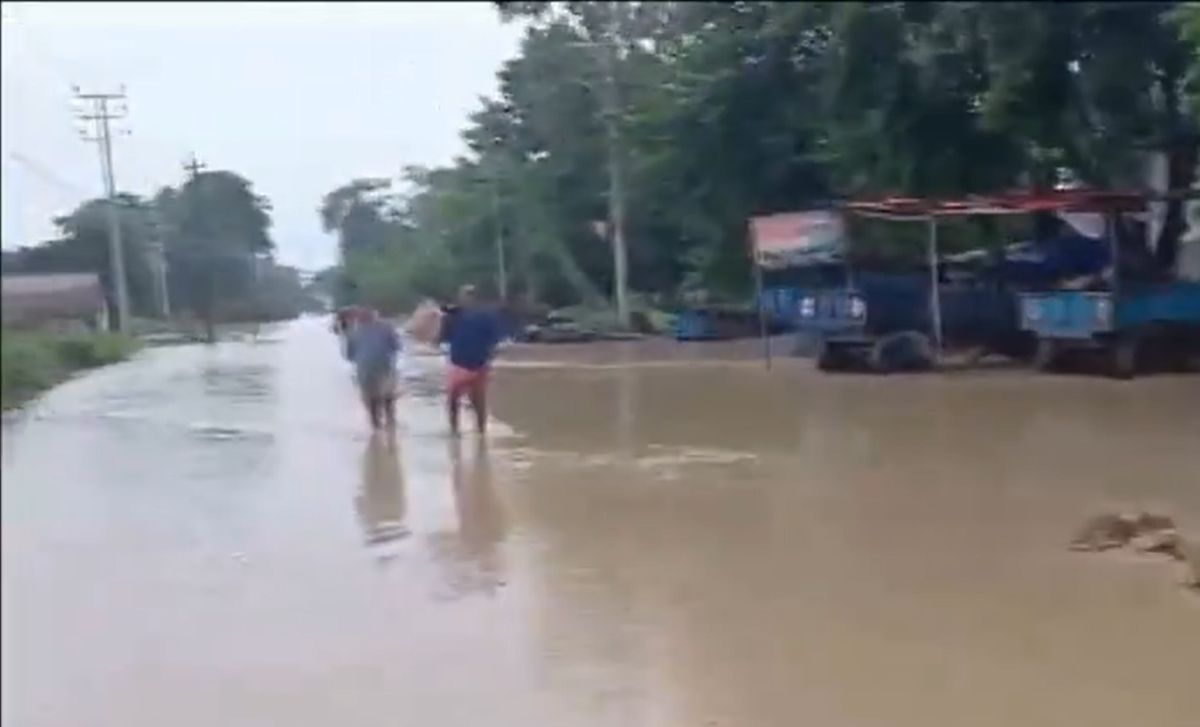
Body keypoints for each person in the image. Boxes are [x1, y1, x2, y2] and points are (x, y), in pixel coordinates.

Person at [439, 285, 501, 435]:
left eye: (470, 295)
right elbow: (442, 338)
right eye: (466, 295)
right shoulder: (452, 317)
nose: (468, 299)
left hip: (478, 365)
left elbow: (494, 341)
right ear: (460, 297)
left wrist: (489, 357)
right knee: (454, 400)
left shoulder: (485, 317)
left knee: (478, 401)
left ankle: (481, 433)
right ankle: (455, 431)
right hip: (458, 364)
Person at [349, 307, 402, 430]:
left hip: (364, 369)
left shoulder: (354, 331)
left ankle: (376, 428)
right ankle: (390, 425)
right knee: (388, 398)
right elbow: (396, 346)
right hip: (385, 367)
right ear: (375, 316)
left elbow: (350, 355)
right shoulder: (387, 328)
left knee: (372, 399)